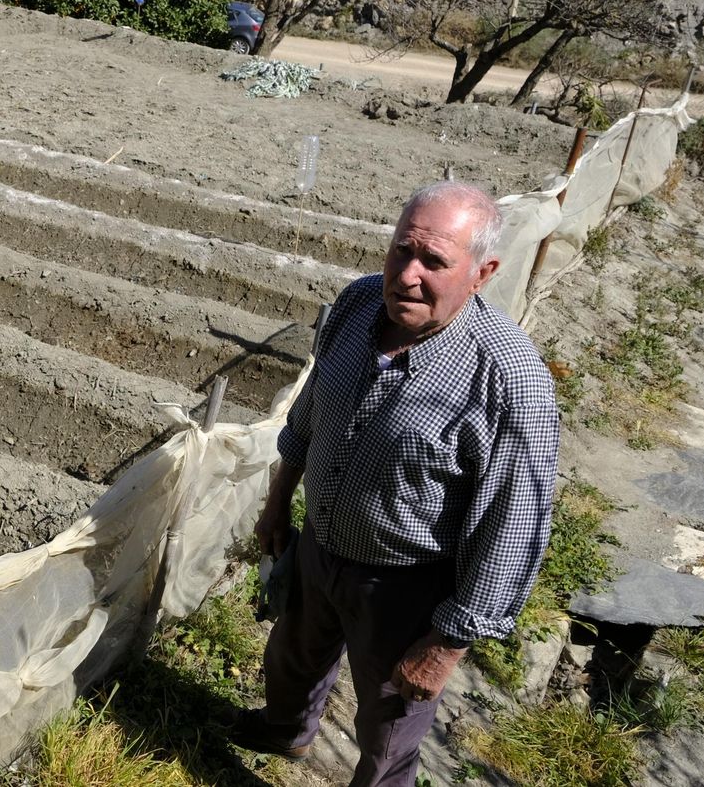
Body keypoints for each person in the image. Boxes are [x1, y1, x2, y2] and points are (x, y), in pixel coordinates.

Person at [228, 181, 560, 787]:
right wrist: (279, 502)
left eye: (434, 262)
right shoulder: (357, 307)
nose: (406, 275)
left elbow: (515, 526)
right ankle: (286, 731)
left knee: (391, 723)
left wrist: (448, 643)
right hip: (318, 543)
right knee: (293, 656)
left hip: (403, 585)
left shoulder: (510, 379)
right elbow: (309, 414)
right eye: (400, 251)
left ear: (482, 272)